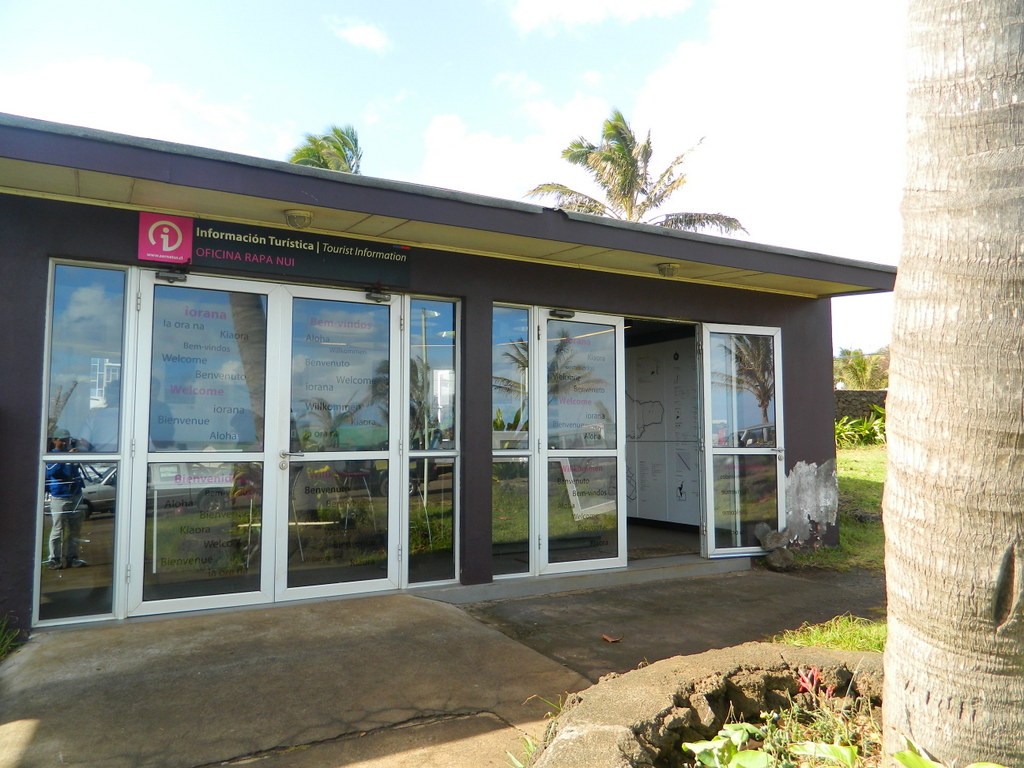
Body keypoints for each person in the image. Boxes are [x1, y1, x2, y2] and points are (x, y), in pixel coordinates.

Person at [44, 428, 87, 569]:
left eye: (66, 440)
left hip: (75, 495)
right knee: (58, 529)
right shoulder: (52, 456)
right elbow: (51, 472)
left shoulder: (71, 454)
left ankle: (72, 557)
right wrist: (66, 458)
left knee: (75, 529)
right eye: (61, 440)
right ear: (54, 440)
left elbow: (76, 472)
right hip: (59, 497)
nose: (64, 442)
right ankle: (54, 558)